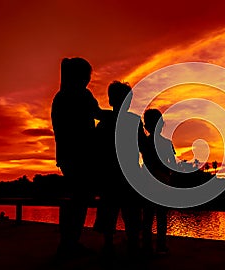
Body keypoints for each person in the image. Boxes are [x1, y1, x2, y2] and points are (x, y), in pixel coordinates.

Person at [51, 57, 104, 258]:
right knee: (80, 199)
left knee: (78, 198)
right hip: (79, 155)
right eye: (87, 75)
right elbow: (98, 114)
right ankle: (69, 243)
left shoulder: (61, 96)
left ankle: (69, 242)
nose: (89, 79)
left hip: (66, 155)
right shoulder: (80, 95)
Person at [93, 81, 143, 257]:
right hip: (126, 175)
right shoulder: (134, 121)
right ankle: (132, 245)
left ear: (110, 101)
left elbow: (96, 150)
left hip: (110, 175)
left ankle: (109, 245)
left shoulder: (104, 124)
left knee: (111, 211)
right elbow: (142, 145)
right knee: (130, 213)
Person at [140, 109, 176, 255]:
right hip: (162, 181)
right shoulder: (167, 143)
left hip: (148, 182)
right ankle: (161, 245)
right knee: (161, 217)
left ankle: (147, 246)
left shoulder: (145, 143)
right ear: (161, 125)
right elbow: (172, 165)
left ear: (146, 126)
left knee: (147, 217)